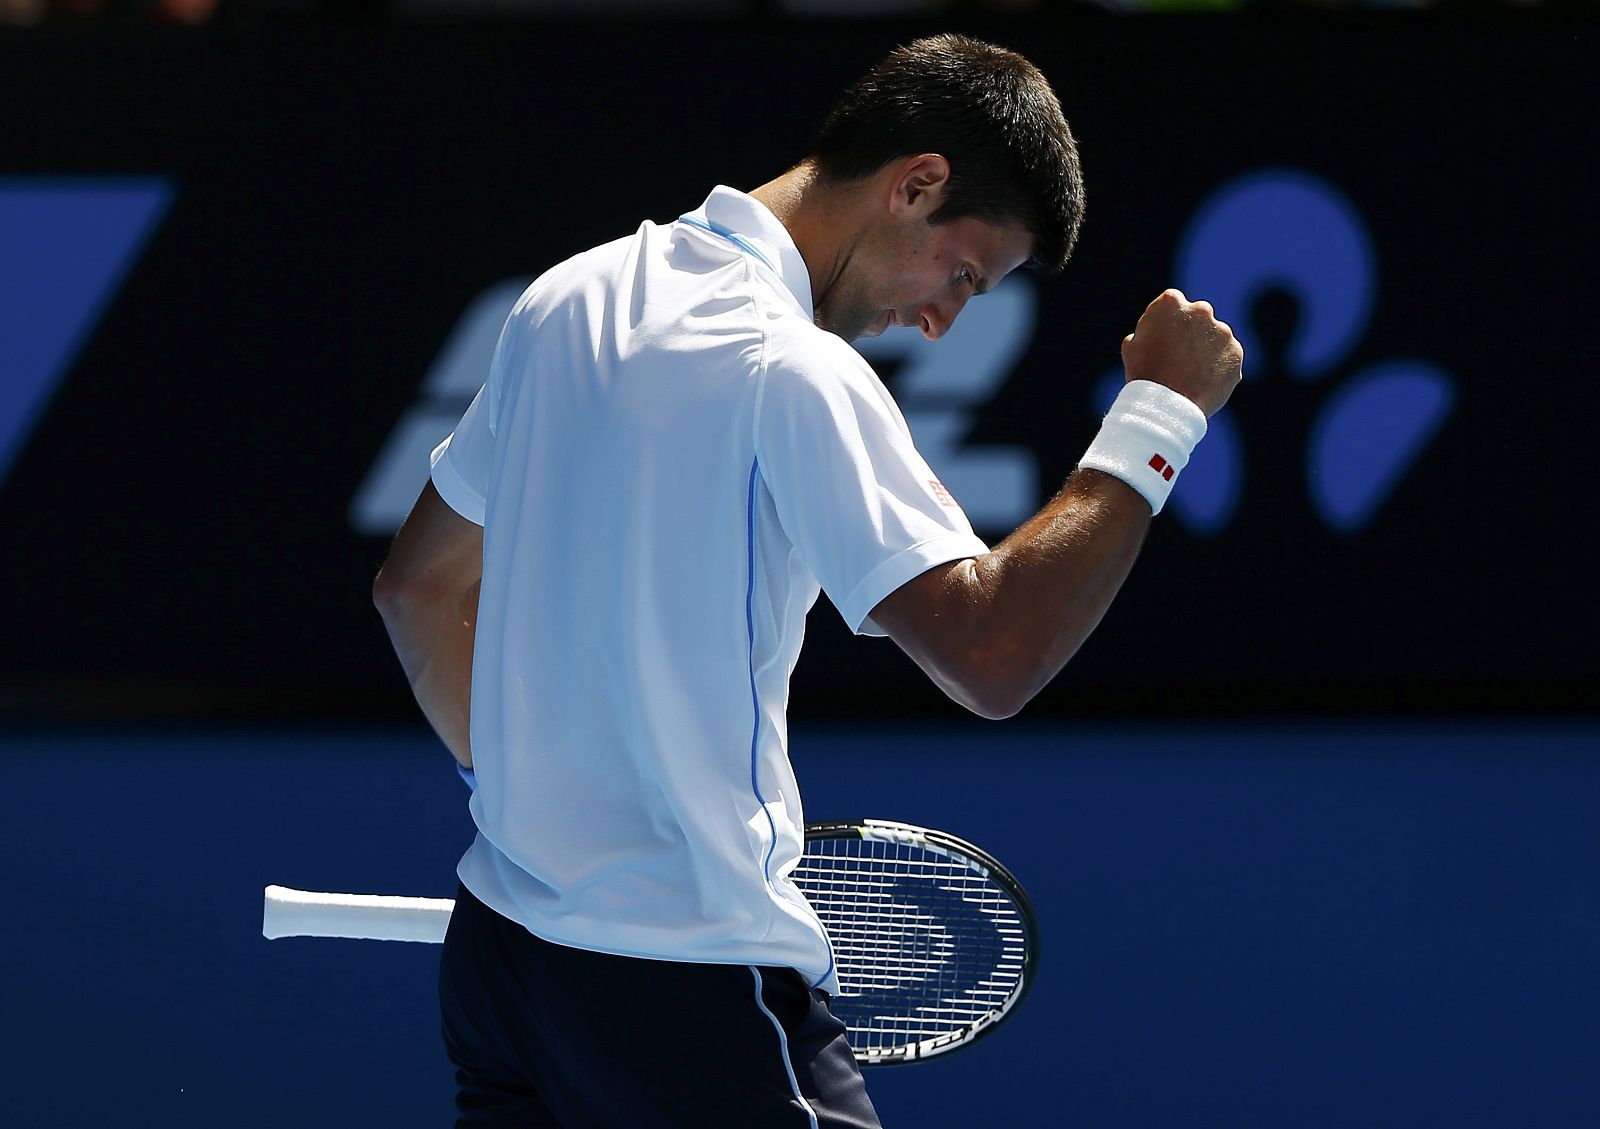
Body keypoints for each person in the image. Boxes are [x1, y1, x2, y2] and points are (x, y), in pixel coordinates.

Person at [374, 32, 1241, 1129]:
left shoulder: (569, 298)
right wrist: (1158, 420)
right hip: (685, 982)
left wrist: (549, 806)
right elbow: (993, 654)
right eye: (962, 274)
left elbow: (415, 591)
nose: (941, 318)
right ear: (914, 184)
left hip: (501, 969)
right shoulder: (793, 372)